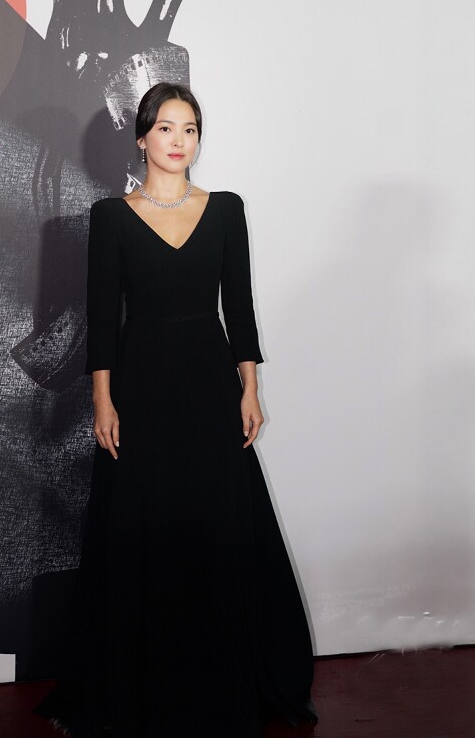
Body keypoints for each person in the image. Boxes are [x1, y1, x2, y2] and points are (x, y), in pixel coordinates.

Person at [33, 82, 318, 737]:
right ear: (142, 137)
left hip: (210, 384)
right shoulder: (112, 217)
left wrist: (250, 386)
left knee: (214, 522)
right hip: (140, 386)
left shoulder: (226, 209)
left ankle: (220, 673)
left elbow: (238, 305)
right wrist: (102, 399)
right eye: (165, 128)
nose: (179, 140)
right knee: (144, 527)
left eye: (190, 129)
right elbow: (102, 317)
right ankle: (141, 680)